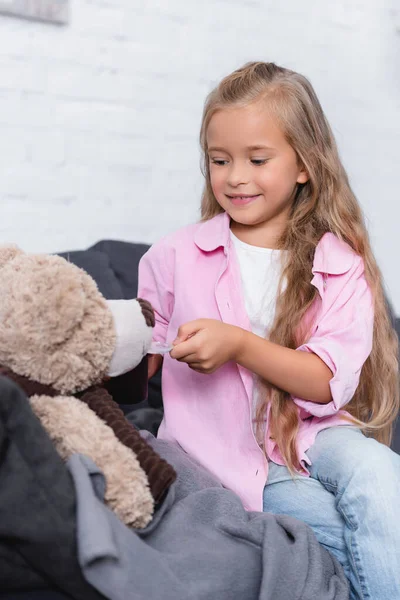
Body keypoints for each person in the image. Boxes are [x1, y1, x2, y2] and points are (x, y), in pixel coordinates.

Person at [138, 61, 400, 599]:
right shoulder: (174, 257)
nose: (236, 176)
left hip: (315, 433)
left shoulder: (338, 263)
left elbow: (326, 383)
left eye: (258, 159)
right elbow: (141, 359)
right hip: (234, 455)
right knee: (326, 528)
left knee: (379, 473)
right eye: (220, 160)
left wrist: (237, 344)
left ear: (304, 164)